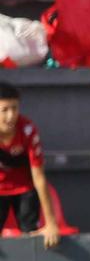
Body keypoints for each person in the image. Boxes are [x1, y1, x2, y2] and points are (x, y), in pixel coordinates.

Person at [0, 80, 58, 248]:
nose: (11, 116)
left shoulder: (28, 130)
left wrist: (51, 223)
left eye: (14, 108)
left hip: (25, 189)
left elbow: (39, 177)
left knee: (31, 237)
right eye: (4, 110)